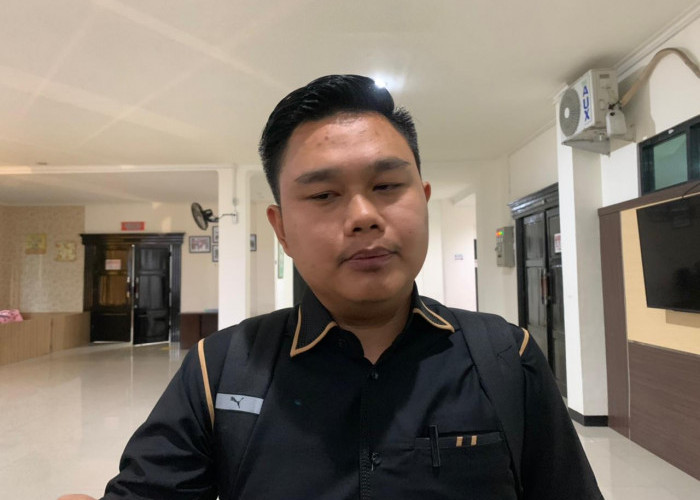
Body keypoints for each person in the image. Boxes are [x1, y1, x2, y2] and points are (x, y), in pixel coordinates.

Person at [60, 75, 603, 499]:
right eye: (323, 195)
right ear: (281, 230)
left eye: (387, 185)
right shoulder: (219, 370)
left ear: (423, 199)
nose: (364, 215)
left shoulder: (506, 357)